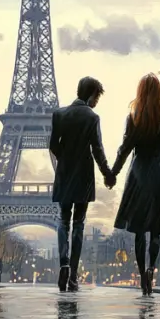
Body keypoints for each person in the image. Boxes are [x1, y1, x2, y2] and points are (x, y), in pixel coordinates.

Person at [108, 74, 160, 296]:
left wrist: (113, 173)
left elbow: (125, 148)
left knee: (139, 230)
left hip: (139, 175)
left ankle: (143, 274)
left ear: (140, 91)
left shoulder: (134, 116)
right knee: (156, 230)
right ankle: (152, 268)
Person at [49, 76, 114, 292]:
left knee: (63, 221)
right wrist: (107, 173)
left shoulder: (59, 114)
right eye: (97, 97)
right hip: (84, 175)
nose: (96, 102)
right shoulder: (92, 117)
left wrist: (66, 158)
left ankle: (64, 264)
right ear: (91, 94)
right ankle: (74, 275)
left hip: (65, 173)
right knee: (78, 224)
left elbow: (53, 145)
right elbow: (97, 149)